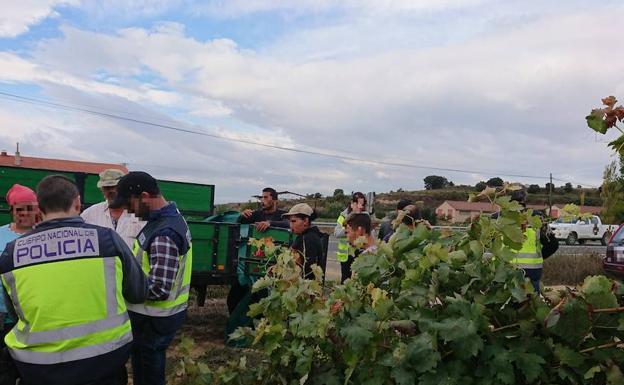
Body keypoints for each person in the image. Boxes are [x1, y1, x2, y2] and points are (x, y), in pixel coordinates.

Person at [0, 175, 147, 385]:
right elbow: (138, 292)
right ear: (77, 202)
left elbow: (15, 312)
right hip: (105, 361)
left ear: (39, 209)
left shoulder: (11, 253)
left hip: (40, 368)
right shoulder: (107, 240)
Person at [108, 171, 192, 385]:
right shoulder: (163, 220)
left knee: (148, 373)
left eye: (130, 205)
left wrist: (120, 288)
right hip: (150, 316)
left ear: (144, 196)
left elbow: (159, 288)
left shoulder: (164, 232)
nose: (129, 211)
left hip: (153, 317)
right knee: (144, 366)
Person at [503, 185, 558, 292]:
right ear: (524, 199)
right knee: (530, 306)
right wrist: (539, 256)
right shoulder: (537, 218)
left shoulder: (497, 218)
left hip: (503, 272)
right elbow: (553, 245)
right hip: (531, 273)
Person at [81, 168, 145, 248]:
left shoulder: (142, 214)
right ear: (102, 190)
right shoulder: (89, 214)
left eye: (115, 187)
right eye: (107, 188)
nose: (112, 191)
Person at [283, 203, 324, 279]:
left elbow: (307, 269)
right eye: (290, 222)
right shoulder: (307, 235)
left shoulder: (308, 239)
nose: (290, 225)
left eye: (293, 221)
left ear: (305, 221)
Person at [334, 192, 367, 283]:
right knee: (345, 280)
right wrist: (348, 229)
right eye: (358, 204)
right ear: (352, 203)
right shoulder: (343, 216)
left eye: (362, 204)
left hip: (360, 253)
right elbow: (336, 233)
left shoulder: (365, 216)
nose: (360, 207)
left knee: (359, 280)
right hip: (346, 255)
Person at [343, 213, 377, 281]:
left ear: (359, 230)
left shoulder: (365, 260)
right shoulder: (379, 252)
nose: (347, 239)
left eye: (348, 232)